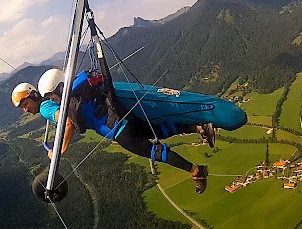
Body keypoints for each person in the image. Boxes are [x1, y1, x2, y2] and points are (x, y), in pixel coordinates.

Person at [11, 69, 212, 194]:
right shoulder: (73, 92)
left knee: (155, 152)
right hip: (121, 115)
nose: (25, 110)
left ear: (36, 96)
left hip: (117, 129)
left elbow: (68, 122)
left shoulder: (47, 107)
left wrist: (59, 150)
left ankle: (197, 171)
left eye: (25, 104)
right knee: (158, 130)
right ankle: (199, 127)